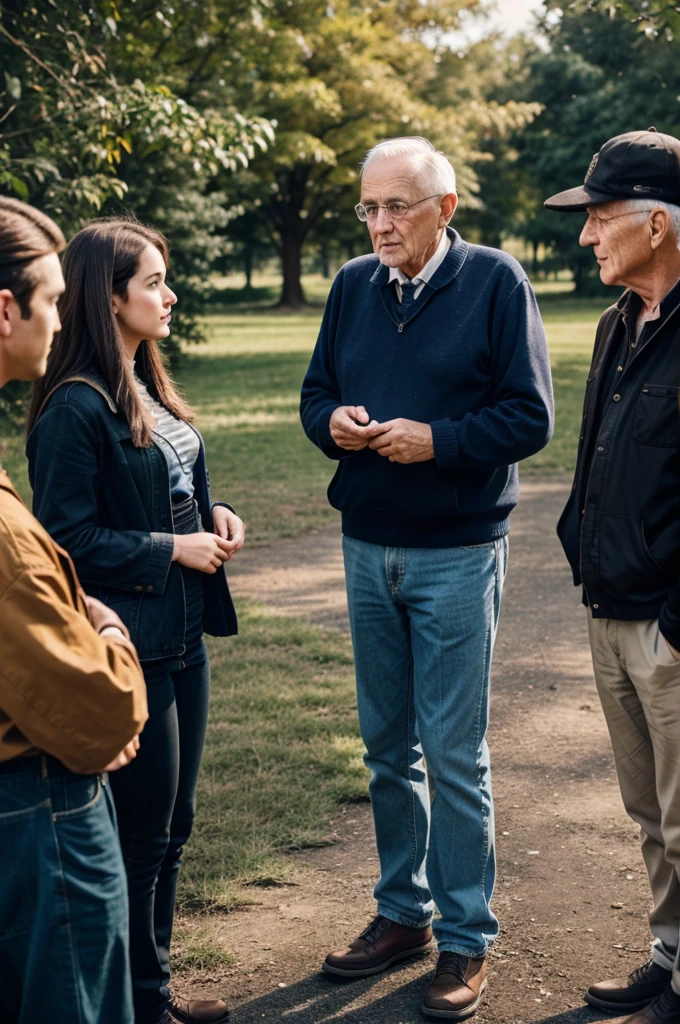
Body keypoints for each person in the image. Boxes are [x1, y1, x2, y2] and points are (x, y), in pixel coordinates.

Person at [300, 136, 554, 1020]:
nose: (379, 224)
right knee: (384, 748)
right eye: (369, 207)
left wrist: (437, 441)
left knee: (452, 755)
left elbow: (530, 416)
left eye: (397, 206)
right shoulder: (350, 286)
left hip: (457, 550)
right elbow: (312, 394)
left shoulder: (495, 281)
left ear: (444, 209)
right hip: (365, 546)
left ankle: (466, 939)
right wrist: (333, 420)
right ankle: (400, 915)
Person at [25, 218, 245, 1024]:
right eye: (153, 281)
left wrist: (213, 513)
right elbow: (65, 541)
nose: (169, 294)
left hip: (186, 641)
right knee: (140, 837)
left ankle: (150, 988)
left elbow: (176, 475)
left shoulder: (144, 378)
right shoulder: (72, 411)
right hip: (137, 648)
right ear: (107, 296)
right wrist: (170, 549)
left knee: (173, 826)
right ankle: (138, 1000)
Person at [0, 196, 148, 1024]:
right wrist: (107, 627)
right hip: (39, 815)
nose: (61, 319)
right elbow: (101, 711)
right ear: (5, 309)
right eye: (52, 300)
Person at [545, 127, 680, 1024]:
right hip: (608, 607)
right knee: (649, 811)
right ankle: (671, 956)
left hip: (669, 623)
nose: (586, 238)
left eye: (600, 219)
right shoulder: (613, 322)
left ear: (660, 225)